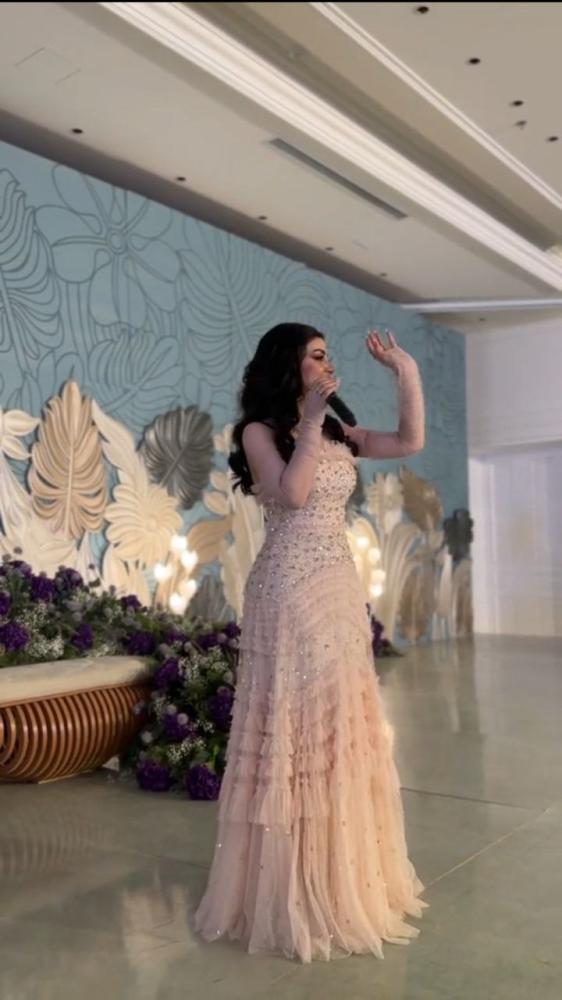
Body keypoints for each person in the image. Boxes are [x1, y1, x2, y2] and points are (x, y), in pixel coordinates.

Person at [194, 322, 427, 962]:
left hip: (337, 591)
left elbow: (409, 440)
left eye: (328, 355)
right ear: (289, 364)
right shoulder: (260, 432)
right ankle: (291, 888)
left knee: (339, 727)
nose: (328, 363)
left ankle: (339, 879)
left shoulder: (339, 433)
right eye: (317, 355)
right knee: (296, 733)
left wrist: (404, 372)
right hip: (288, 594)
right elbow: (294, 495)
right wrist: (311, 419)